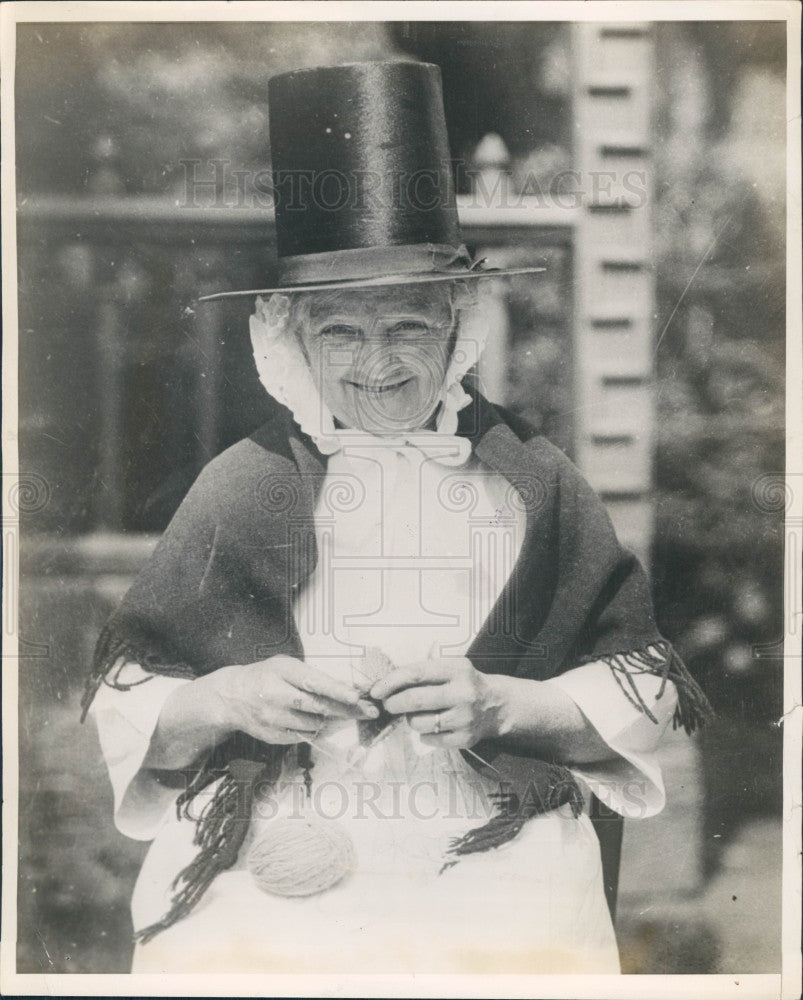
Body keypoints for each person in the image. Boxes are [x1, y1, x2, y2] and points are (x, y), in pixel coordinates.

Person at [83, 61, 711, 974]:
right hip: (281, 844)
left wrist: (507, 703)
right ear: (289, 336)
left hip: (495, 847)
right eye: (340, 330)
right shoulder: (241, 482)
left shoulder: (532, 479)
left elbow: (643, 690)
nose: (375, 364)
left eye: (406, 326)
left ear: (457, 327)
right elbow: (128, 699)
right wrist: (228, 697)